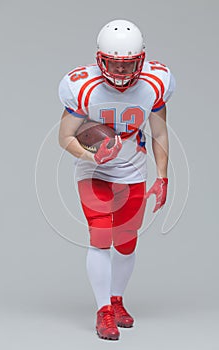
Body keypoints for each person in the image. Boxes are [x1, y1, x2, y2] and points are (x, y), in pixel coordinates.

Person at [58, 19, 175, 341]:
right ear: (100, 59)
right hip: (94, 170)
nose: (121, 74)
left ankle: (116, 300)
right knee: (100, 236)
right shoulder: (82, 86)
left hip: (133, 169)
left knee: (126, 243)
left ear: (142, 59)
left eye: (128, 66)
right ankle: (103, 311)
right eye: (114, 65)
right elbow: (65, 136)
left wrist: (162, 176)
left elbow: (160, 132)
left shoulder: (156, 82)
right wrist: (91, 156)